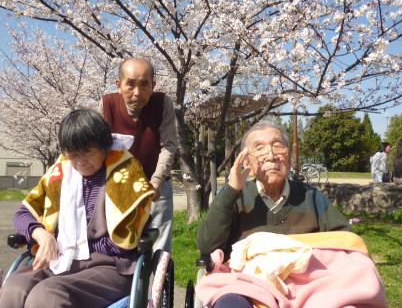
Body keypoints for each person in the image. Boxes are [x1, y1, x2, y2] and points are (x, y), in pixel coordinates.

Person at [0, 109, 155, 308]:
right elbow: (23, 214)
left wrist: (76, 244)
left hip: (109, 266)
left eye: (87, 152)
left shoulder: (125, 173)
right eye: (72, 154)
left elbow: (124, 242)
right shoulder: (59, 174)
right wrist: (43, 236)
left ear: (104, 147)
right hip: (59, 259)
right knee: (14, 289)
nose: (78, 161)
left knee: (47, 295)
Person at [196, 121, 352, 259]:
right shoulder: (234, 197)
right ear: (247, 161)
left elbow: (347, 242)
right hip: (249, 284)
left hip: (306, 284)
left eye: (277, 146)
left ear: (289, 159)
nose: (270, 156)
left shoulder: (311, 197)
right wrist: (232, 189)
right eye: (259, 149)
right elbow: (207, 246)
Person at [99, 57, 178, 254]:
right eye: (130, 84)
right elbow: (93, 148)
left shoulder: (162, 104)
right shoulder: (106, 106)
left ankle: (157, 283)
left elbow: (168, 145)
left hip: (156, 185)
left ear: (153, 85)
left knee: (159, 246)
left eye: (144, 84)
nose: (137, 92)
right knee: (120, 244)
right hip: (118, 188)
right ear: (119, 85)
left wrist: (157, 181)